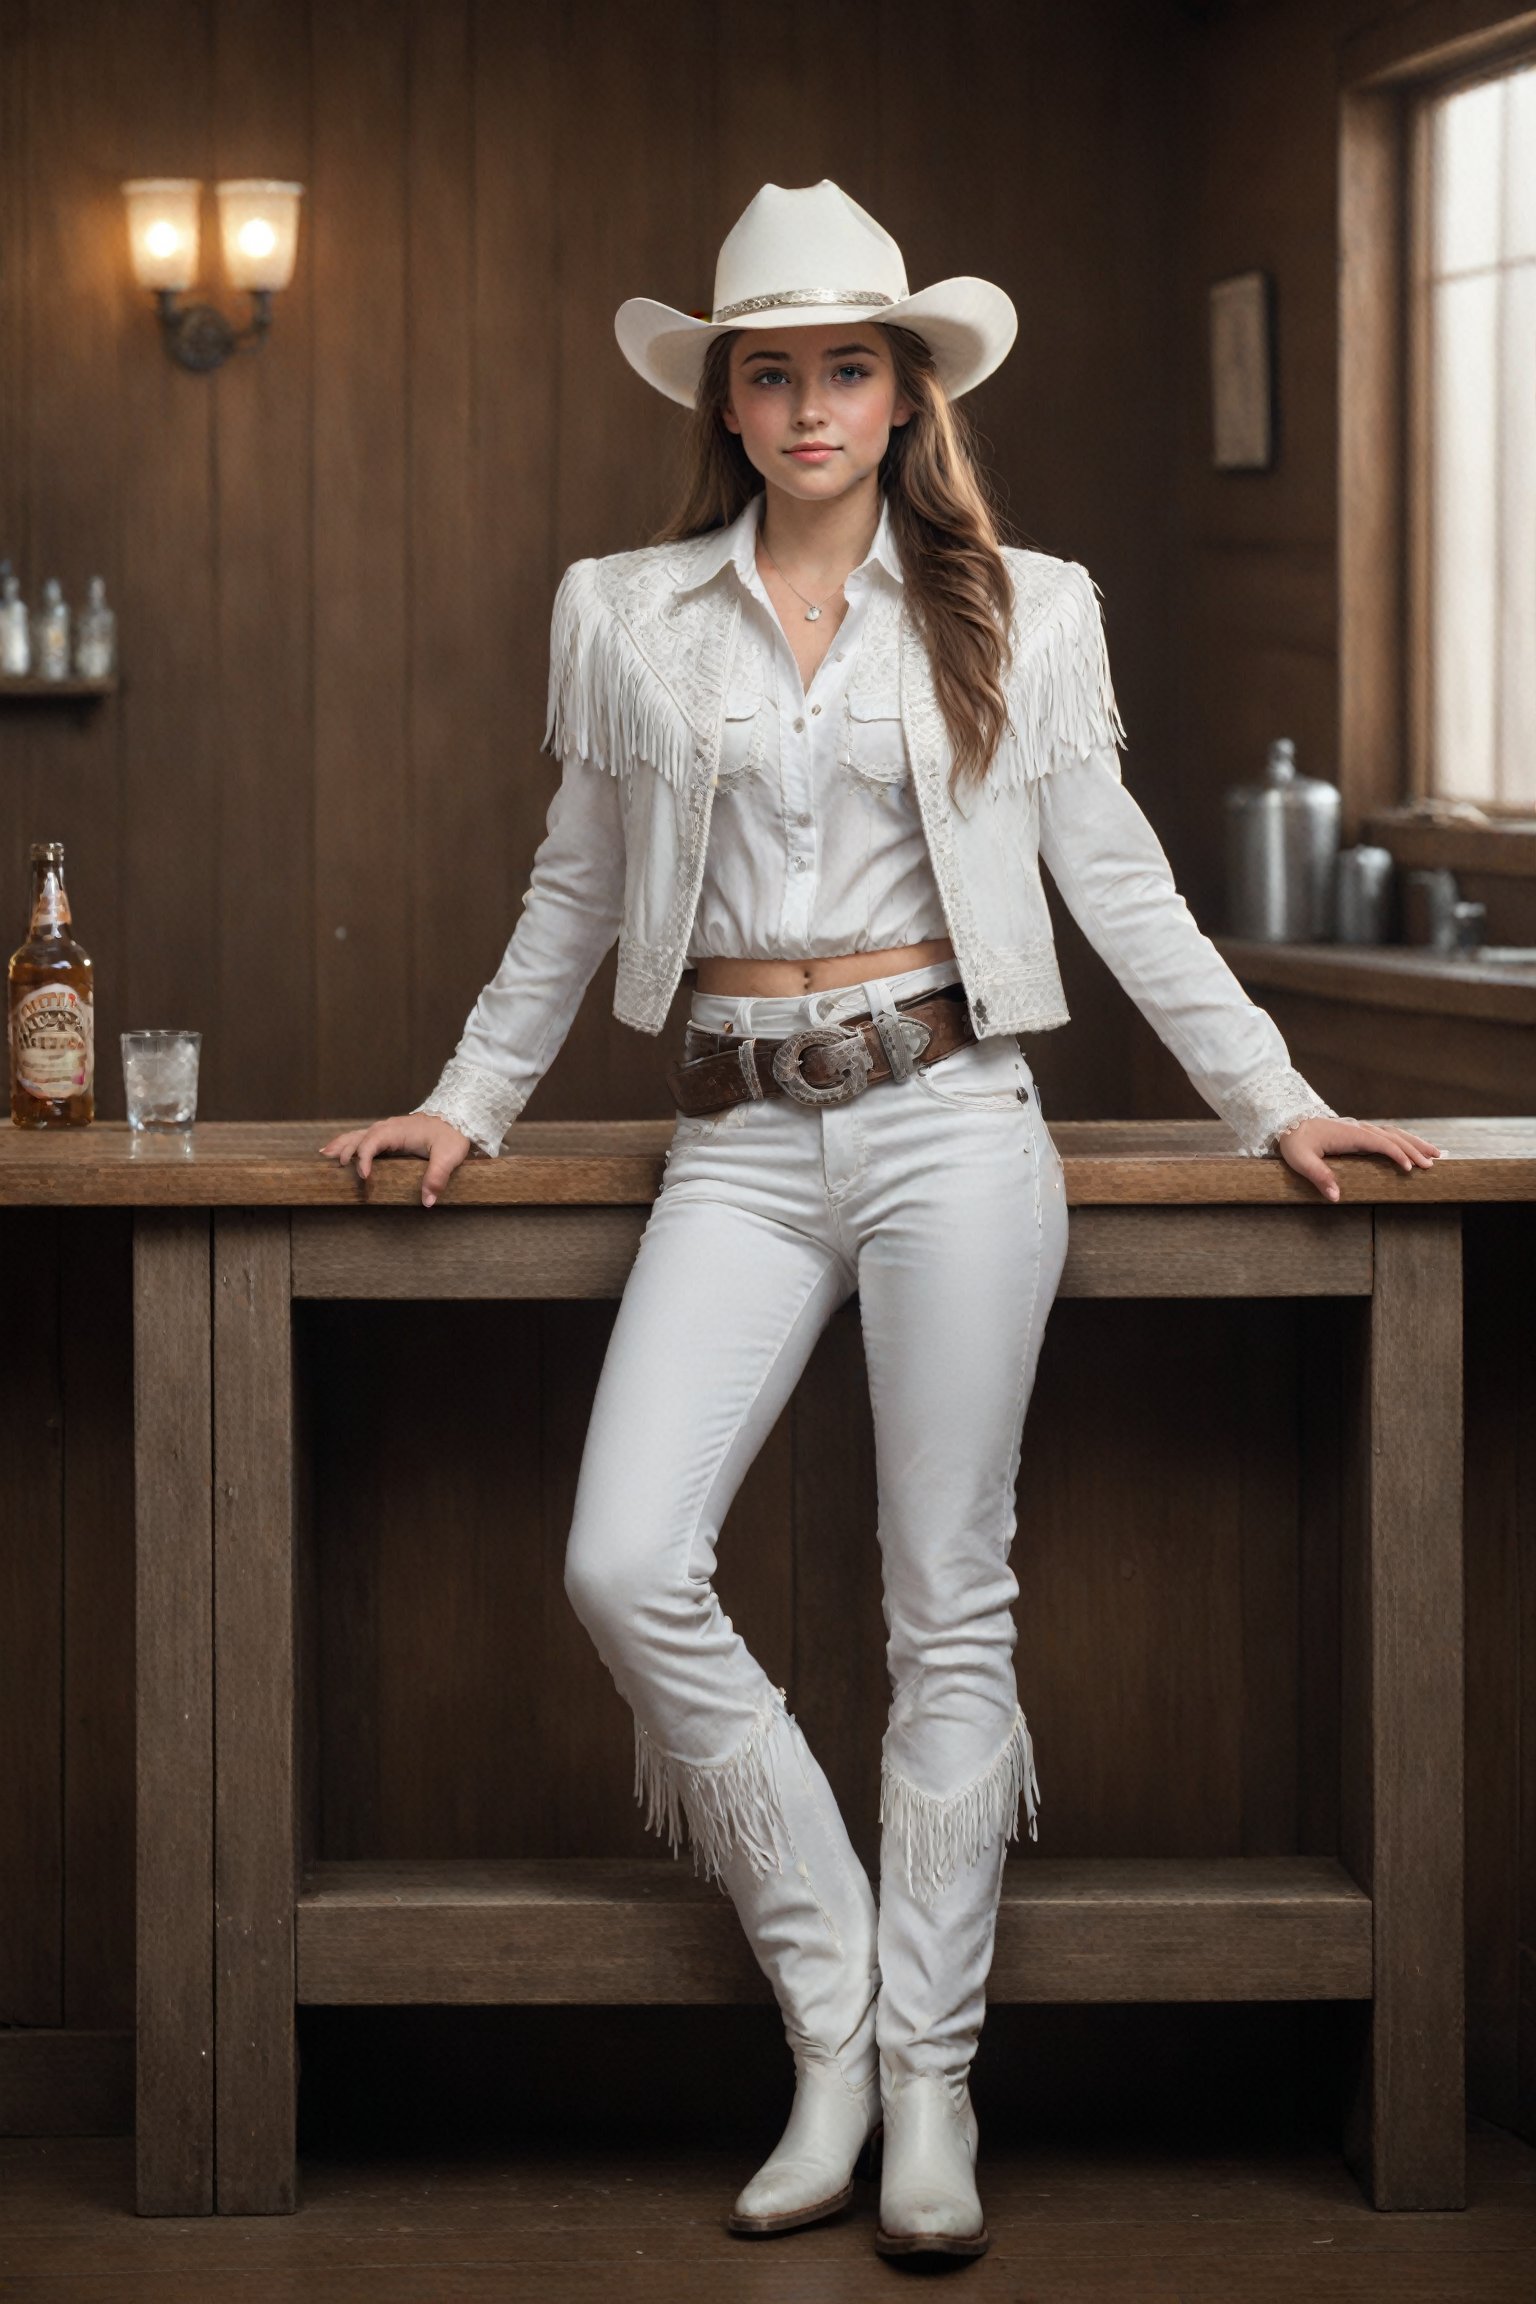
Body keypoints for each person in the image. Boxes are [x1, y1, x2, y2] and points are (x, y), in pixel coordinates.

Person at [321, 180, 1439, 2261]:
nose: (813, 401)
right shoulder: (627, 612)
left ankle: (931, 2087)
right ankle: (831, 2014)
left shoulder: (1028, 603)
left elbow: (1119, 886)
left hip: (955, 1122)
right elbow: (571, 894)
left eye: (850, 365)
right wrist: (466, 1099)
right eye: (775, 371)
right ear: (727, 405)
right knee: (624, 1554)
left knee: (952, 1600)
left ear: (906, 394)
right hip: (734, 1138)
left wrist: (1280, 1099)